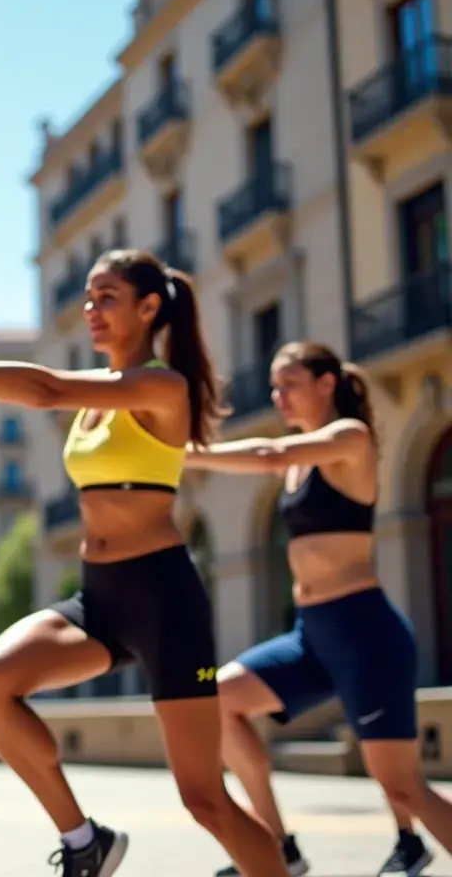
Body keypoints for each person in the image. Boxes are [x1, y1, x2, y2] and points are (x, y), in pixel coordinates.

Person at [0, 252, 291, 877]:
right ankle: (84, 838)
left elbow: (46, 389)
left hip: (164, 598)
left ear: (149, 308)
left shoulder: (160, 386)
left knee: (204, 800)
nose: (92, 310)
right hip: (99, 596)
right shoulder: (100, 399)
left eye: (108, 297)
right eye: (88, 298)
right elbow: (59, 392)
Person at [186, 340, 452, 877]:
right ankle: (278, 846)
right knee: (217, 696)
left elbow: (269, 454)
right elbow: (276, 459)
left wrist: (184, 452)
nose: (277, 395)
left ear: (326, 383)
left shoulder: (349, 439)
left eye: (289, 384)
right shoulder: (300, 458)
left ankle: (411, 843)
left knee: (401, 784)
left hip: (364, 632)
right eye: (274, 387)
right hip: (310, 637)